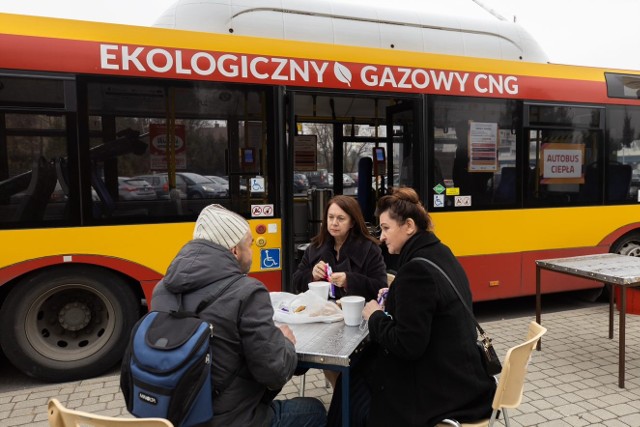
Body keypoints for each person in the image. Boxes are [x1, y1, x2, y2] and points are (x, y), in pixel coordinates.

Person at [328, 187, 495, 427]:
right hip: (465, 379)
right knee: (360, 373)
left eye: (386, 228)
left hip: (443, 393)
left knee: (353, 383)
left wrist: (375, 315)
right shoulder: (440, 252)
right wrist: (395, 298)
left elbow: (407, 345)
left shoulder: (416, 272)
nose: (382, 237)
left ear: (408, 226)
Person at [152, 204, 327, 427]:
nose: (253, 252)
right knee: (314, 410)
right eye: (250, 245)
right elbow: (273, 373)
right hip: (230, 420)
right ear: (235, 250)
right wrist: (285, 342)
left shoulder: (163, 289)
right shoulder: (248, 292)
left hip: (175, 413)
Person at [292, 194, 387, 302]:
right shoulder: (315, 247)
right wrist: (312, 276)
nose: (334, 223)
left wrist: (349, 281)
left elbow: (380, 287)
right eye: (330, 217)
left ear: (352, 223)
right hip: (321, 311)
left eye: (341, 219)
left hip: (356, 313)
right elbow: (296, 281)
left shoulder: (369, 249)